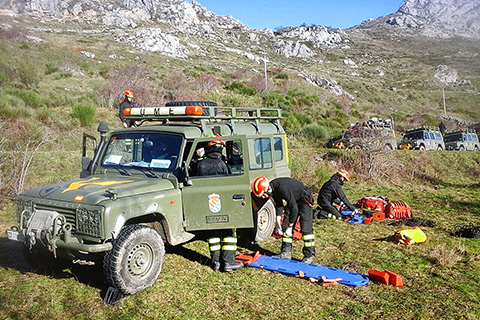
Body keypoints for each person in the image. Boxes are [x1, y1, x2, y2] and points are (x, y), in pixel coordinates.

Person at [198, 136, 242, 272]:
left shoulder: (200, 164)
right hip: (223, 204)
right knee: (229, 234)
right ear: (220, 148)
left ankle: (215, 262)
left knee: (213, 234)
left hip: (207, 204)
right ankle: (228, 262)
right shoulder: (223, 165)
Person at [252, 176, 315, 264]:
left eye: (263, 194)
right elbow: (279, 205)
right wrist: (278, 221)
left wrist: (291, 225)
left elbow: (294, 208)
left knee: (306, 228)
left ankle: (308, 256)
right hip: (293, 201)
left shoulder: (281, 187)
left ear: (267, 189)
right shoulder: (273, 189)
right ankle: (286, 253)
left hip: (303, 199)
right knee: (284, 226)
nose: (263, 197)